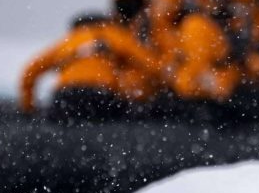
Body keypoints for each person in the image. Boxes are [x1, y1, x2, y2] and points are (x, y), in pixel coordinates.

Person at [20, 12, 158, 121]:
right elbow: (149, 64)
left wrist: (29, 107)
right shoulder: (114, 34)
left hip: (65, 97)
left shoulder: (67, 41)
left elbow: (30, 72)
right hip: (100, 95)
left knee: (58, 125)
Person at [170, 0, 243, 112]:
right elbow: (199, 65)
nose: (221, 4)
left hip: (222, 101)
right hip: (196, 102)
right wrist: (217, 90)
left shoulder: (231, 27)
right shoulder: (196, 24)